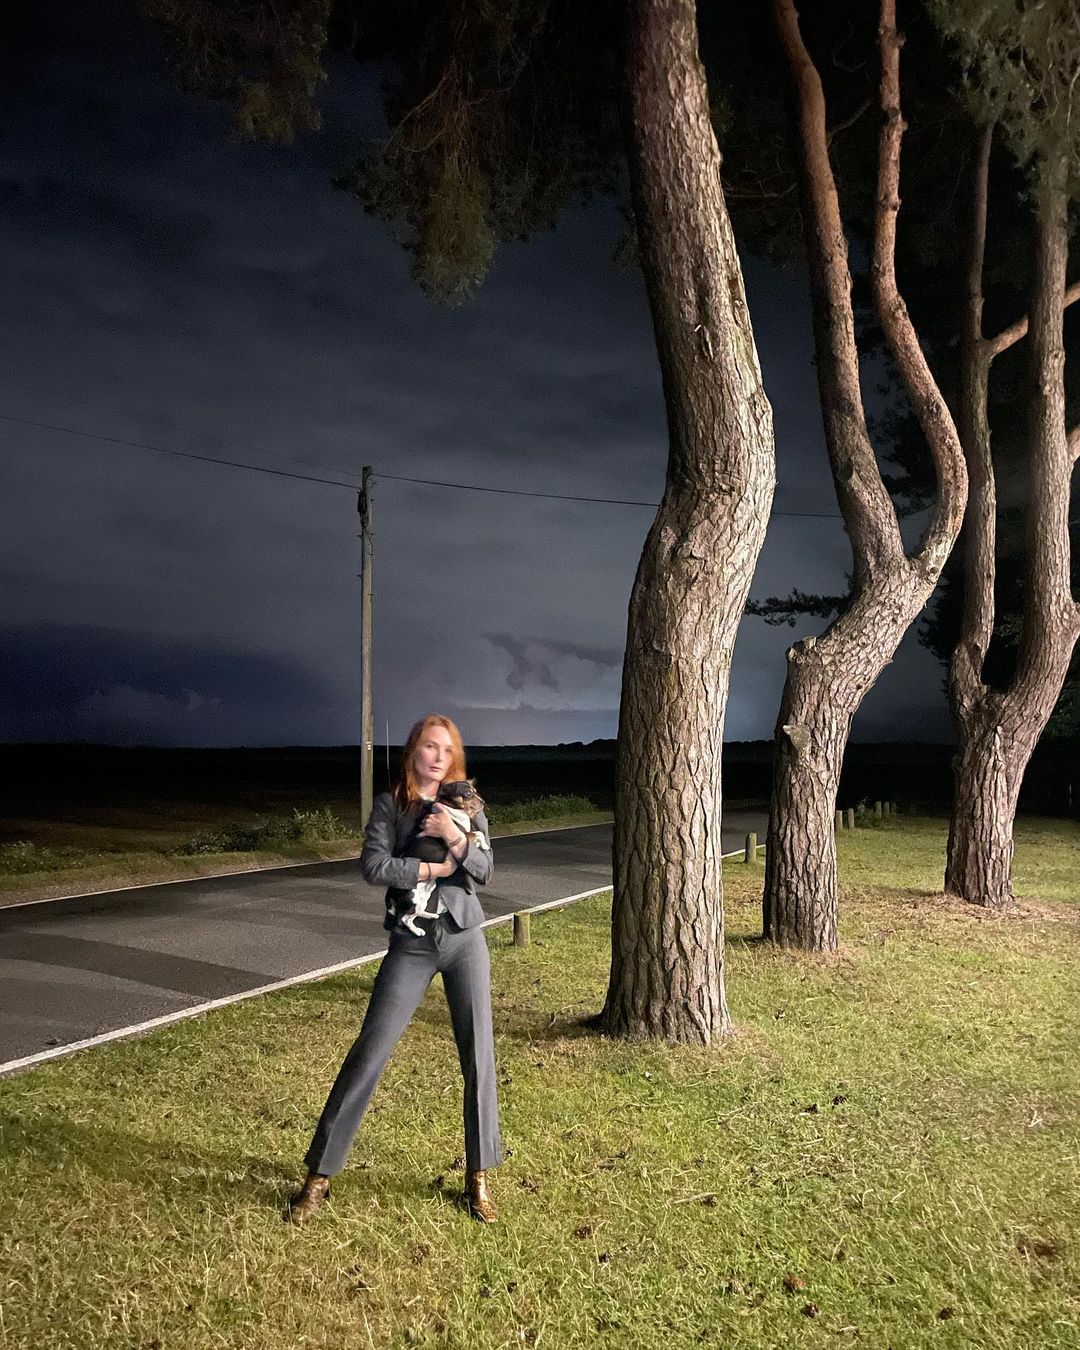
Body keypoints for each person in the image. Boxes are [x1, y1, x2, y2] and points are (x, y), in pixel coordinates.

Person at [286, 714, 504, 1224]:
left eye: (447, 750)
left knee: (479, 1056)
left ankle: (478, 1178)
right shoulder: (392, 806)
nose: (438, 757)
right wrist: (431, 867)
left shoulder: (468, 805)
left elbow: (486, 871)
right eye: (429, 746)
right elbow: (374, 866)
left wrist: (454, 836)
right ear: (413, 751)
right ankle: (319, 1176)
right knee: (369, 1052)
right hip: (411, 943)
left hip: (465, 939)